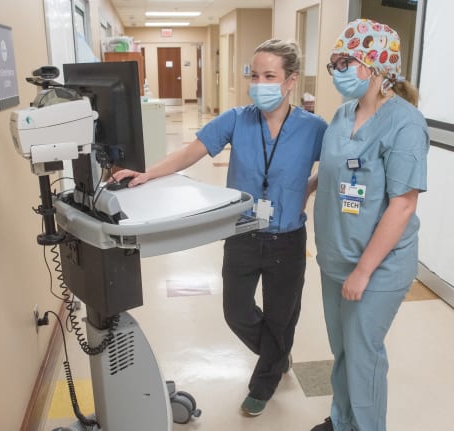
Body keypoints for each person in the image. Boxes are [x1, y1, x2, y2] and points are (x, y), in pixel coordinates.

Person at [111, 39, 327, 417]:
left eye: (270, 76)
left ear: (290, 81)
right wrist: (147, 174)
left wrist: (308, 188)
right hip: (242, 233)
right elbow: (190, 152)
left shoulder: (314, 128)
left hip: (288, 239)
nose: (259, 82)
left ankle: (264, 381)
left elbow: (336, 164)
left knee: (281, 314)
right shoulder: (236, 119)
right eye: (254, 74)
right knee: (236, 311)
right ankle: (276, 355)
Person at [308, 19, 429, 431]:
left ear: (376, 66)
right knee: (342, 350)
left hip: (376, 267)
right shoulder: (343, 114)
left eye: (347, 60)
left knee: (363, 356)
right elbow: (335, 172)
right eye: (334, 62)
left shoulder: (405, 123)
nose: (338, 69)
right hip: (335, 257)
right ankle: (342, 421)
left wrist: (363, 270)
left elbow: (402, 205)